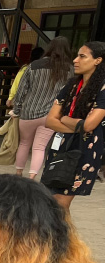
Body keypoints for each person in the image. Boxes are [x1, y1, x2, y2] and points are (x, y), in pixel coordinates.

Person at [45, 41, 105, 212]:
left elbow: (90, 124)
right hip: (61, 147)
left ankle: (61, 238)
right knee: (54, 200)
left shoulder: (102, 88)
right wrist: (78, 126)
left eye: (82, 56)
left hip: (84, 150)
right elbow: (50, 120)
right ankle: (64, 237)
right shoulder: (71, 85)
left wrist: (63, 118)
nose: (75, 60)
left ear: (98, 60)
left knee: (60, 202)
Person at [11, 37, 72, 178]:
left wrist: (16, 110)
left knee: (24, 143)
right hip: (50, 115)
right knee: (40, 147)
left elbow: (22, 90)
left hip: (28, 112)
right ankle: (32, 178)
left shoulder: (34, 65)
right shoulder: (69, 69)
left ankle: (18, 174)